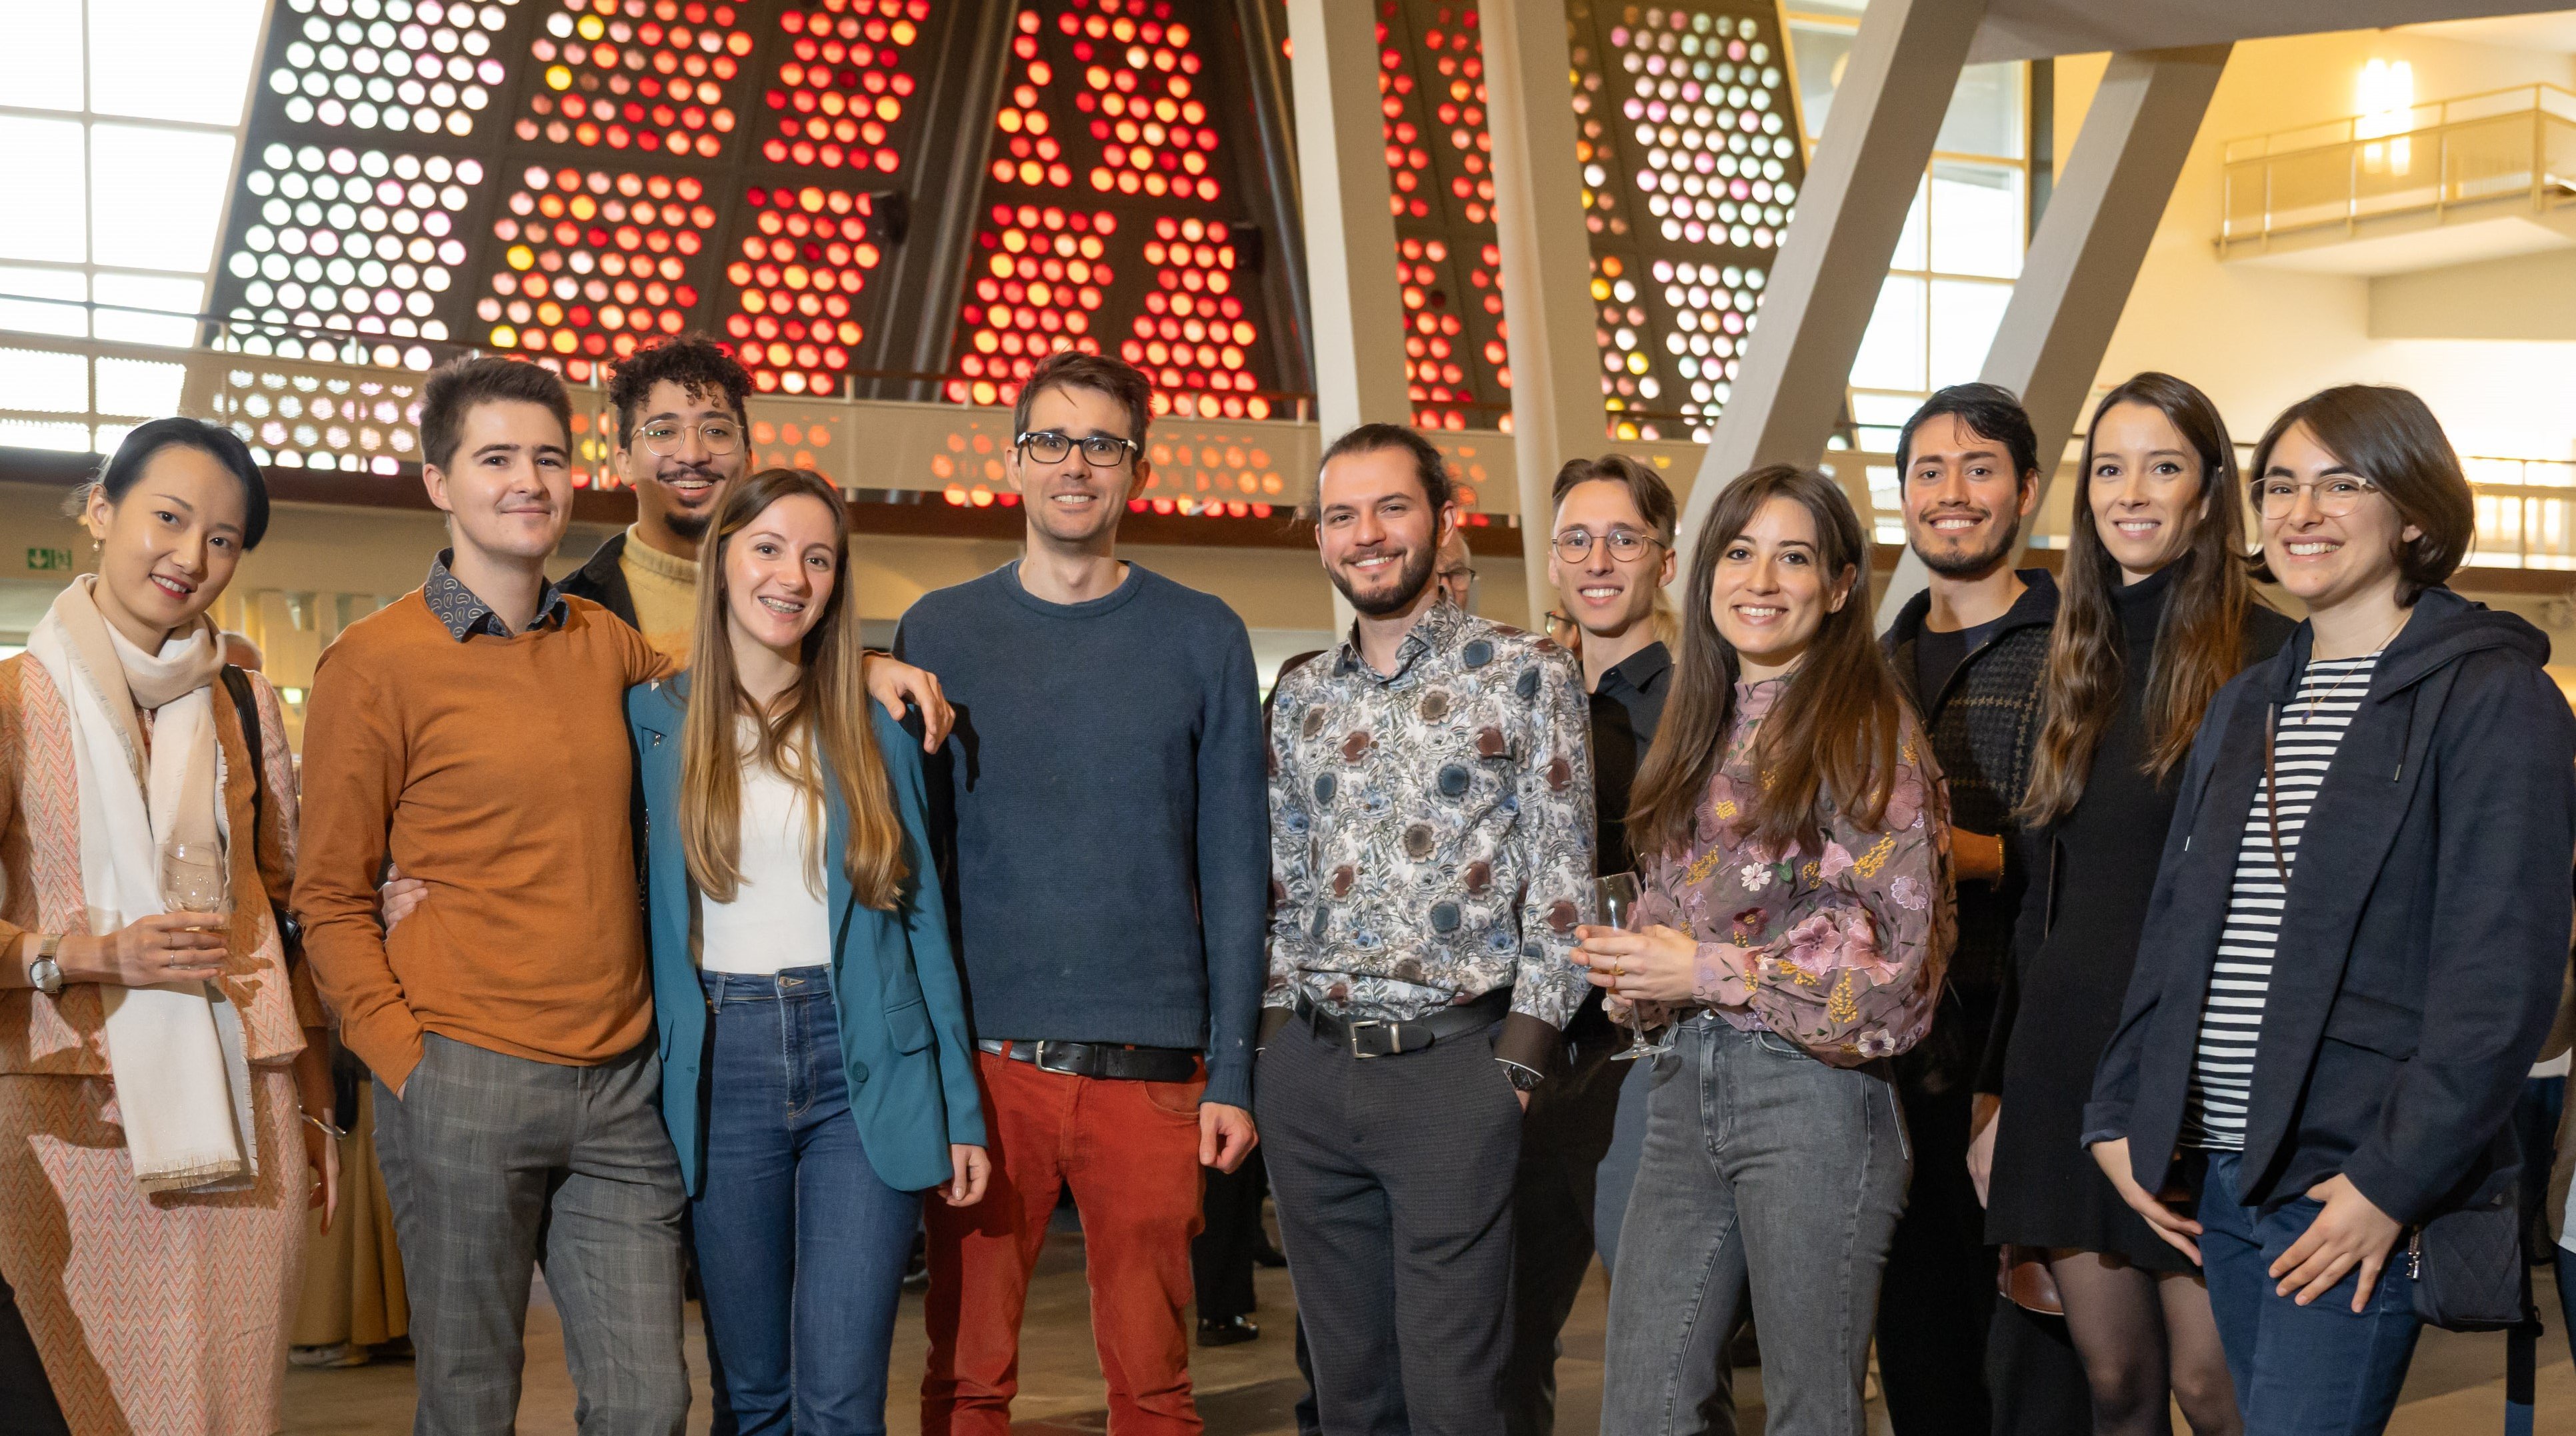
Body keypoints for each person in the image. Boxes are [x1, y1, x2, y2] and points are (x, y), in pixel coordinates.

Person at [299, 357, 941, 1434]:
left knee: (650, 1399)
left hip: (620, 1088)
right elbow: (327, 896)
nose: (527, 480)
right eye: (495, 457)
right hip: (461, 1073)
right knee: (467, 1397)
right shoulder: (370, 662)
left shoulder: (606, 645)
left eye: (546, 456)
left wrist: (862, 661)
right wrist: (408, 1061)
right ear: (435, 482)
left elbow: (749, 660)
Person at [2087, 384, 2576, 1433]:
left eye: (2341, 482)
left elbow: (2500, 980)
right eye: (2280, 485)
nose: (2302, 511)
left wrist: (2388, 1185)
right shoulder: (2252, 698)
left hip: (2347, 1185)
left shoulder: (2494, 698)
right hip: (2220, 1170)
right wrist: (2120, 1107)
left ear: (2414, 512)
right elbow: (2178, 926)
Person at [896, 350, 1267, 1435]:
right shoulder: (940, 631)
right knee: (965, 1378)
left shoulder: (1201, 634)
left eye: (1099, 442)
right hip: (987, 1065)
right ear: (1012, 460)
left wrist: (1232, 1067)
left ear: (1132, 466)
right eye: (1051, 439)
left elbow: (1235, 865)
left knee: (1153, 1384)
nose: (1074, 462)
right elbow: (913, 863)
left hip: (1150, 1072)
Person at [1579, 463, 1949, 1435]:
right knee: (1644, 1413)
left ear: (1838, 587)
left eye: (1794, 557)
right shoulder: (1700, 721)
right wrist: (1632, 969)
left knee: (1810, 1415)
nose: (1761, 579)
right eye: (1740, 552)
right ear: (1704, 575)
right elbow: (1680, 916)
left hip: (1816, 1098)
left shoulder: (1867, 728)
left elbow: (1898, 979)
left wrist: (1703, 969)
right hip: (1682, 1083)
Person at [631, 468, 988, 1433]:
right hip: (722, 1060)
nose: (793, 574)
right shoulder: (650, 720)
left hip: (857, 1058)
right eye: (769, 547)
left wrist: (959, 1102)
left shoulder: (876, 724)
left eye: (818, 556)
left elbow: (921, 923)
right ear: (722, 563)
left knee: (841, 1398)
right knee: (753, 1396)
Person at [0, 419, 339, 1433]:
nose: (192, 557)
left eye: (225, 538)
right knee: (79, 1406)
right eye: (170, 517)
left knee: (235, 1408)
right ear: (102, 511)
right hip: (66, 1114)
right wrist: (85, 954)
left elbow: (288, 903)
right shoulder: (15, 697)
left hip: (248, 1104)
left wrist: (317, 1100)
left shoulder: (241, 695)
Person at [1260, 422, 1595, 1434]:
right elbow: (1284, 879)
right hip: (1314, 1073)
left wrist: (1523, 1061)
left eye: (1391, 507)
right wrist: (1277, 1038)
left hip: (1458, 1068)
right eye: (1342, 514)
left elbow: (1565, 878)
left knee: (1457, 1396)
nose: (1367, 533)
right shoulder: (1302, 695)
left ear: (1445, 519)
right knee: (1350, 1393)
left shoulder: (1529, 671)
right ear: (1321, 538)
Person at [1982, 374, 2292, 1436]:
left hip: (2194, 1071)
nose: (2132, 491)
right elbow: (2038, 900)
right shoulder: (2076, 652)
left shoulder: (2267, 657)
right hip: (2064, 1058)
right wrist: (2000, 1093)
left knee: (2217, 1389)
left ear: (2210, 492)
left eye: (2163, 466)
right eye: (2109, 467)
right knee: (2115, 1388)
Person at [1873, 385, 2068, 1436]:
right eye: (1928, 472)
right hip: (1895, 1050)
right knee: (1921, 1346)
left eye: (1979, 469)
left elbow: (2099, 857)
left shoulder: (2083, 649)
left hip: (2025, 1040)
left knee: (2041, 1354)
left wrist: (1951, 854)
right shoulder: (1873, 661)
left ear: (2027, 490)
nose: (1952, 494)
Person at [1507, 453, 1677, 1435]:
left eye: (1623, 537)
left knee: (1666, 1348)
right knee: (1503, 1340)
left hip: (1642, 1057)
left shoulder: (1703, 707)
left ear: (1663, 554)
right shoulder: (1519, 697)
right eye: (1578, 538)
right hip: (1523, 1052)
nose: (1599, 558)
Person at [558, 335, 755, 661]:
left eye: (716, 431)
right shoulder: (565, 612)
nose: (692, 455)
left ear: (748, 461)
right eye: (663, 432)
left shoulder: (791, 595)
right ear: (625, 464)